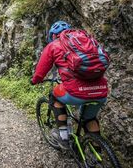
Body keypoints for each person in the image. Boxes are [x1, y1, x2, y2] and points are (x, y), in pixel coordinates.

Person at [31, 21, 108, 149]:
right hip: (100, 91)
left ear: (53, 36)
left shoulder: (54, 45)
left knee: (55, 96)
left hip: (75, 91)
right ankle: (97, 153)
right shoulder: (87, 41)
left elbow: (40, 72)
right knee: (90, 118)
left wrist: (35, 80)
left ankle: (64, 138)